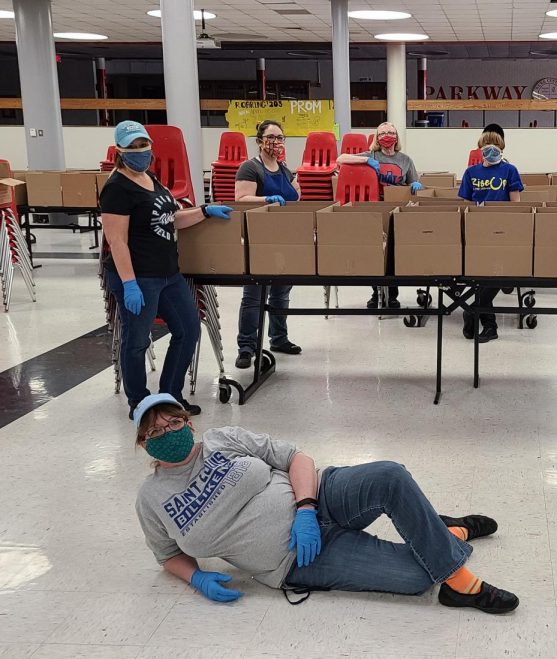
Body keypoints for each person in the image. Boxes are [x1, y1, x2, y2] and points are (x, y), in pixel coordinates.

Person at [132, 393, 519, 614]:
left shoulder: (223, 439)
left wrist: (305, 509)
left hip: (320, 497)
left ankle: (460, 585)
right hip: (298, 561)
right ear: (143, 443)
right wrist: (196, 578)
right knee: (417, 578)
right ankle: (446, 532)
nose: (168, 433)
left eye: (174, 423)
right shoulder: (151, 499)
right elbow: (166, 554)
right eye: (156, 431)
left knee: (389, 475)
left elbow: (296, 458)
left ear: (189, 423)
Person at [101, 120, 233, 420]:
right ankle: (141, 403)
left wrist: (203, 211)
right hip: (138, 276)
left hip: (168, 273)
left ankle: (171, 394)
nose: (140, 152)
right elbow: (117, 241)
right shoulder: (116, 189)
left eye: (143, 145)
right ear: (120, 151)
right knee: (136, 341)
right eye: (132, 148)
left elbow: (171, 218)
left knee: (188, 330)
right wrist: (129, 283)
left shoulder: (151, 178)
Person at [233, 120, 303, 370]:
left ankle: (279, 338)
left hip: (286, 238)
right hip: (259, 240)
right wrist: (266, 199)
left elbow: (296, 194)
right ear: (259, 140)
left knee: (281, 293)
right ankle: (246, 347)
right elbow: (241, 199)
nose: (276, 142)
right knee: (254, 295)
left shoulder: (284, 169)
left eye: (280, 137)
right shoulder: (250, 168)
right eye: (271, 137)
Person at [336, 121, 422, 309]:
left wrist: (416, 185)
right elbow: (340, 159)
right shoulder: (372, 155)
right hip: (374, 210)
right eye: (382, 133)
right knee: (374, 252)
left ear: (397, 136)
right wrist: (366, 161)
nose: (387, 136)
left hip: (396, 211)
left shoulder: (405, 160)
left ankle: (392, 295)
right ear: (377, 137)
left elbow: (415, 182)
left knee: (393, 252)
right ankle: (376, 293)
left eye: (391, 132)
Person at [457, 131, 524, 343]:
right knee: (480, 280)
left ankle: (472, 311)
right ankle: (489, 325)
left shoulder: (509, 171)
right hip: (478, 232)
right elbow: (466, 206)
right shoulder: (471, 173)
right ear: (480, 148)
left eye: (495, 144)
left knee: (495, 276)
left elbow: (516, 205)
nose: (490, 148)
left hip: (503, 232)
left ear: (502, 148)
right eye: (486, 145)